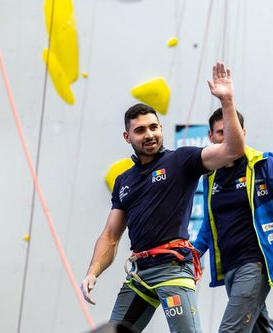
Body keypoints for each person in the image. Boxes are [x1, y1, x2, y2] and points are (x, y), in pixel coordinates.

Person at [80, 62, 245, 333]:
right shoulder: (124, 181)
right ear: (127, 136)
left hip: (173, 269)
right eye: (141, 130)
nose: (150, 135)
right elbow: (110, 235)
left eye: (154, 127)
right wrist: (92, 272)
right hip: (139, 274)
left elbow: (233, 150)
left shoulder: (181, 160)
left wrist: (226, 101)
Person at [194, 109, 273, 333]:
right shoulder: (210, 177)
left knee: (230, 331)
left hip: (254, 264)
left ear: (241, 133)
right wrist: (191, 256)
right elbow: (209, 226)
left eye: (231, 132)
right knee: (258, 330)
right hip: (229, 268)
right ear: (210, 136)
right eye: (219, 133)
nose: (225, 138)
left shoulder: (263, 165)